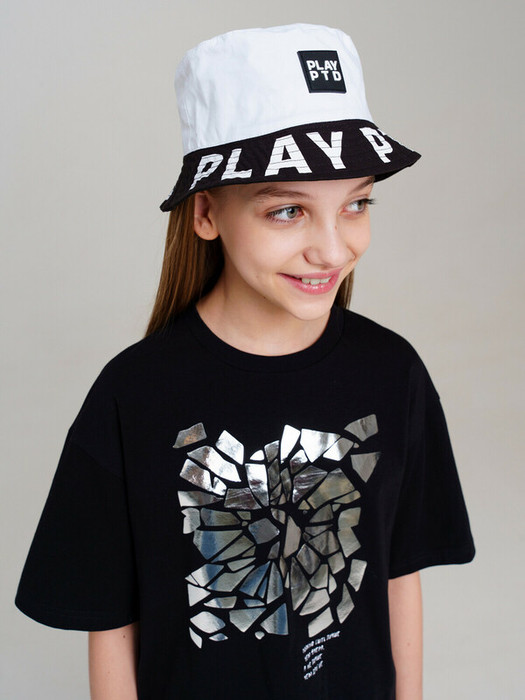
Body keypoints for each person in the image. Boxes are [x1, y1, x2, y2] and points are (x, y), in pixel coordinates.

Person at [15, 23, 475, 700]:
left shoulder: (392, 372)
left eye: (356, 204)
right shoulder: (133, 394)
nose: (332, 248)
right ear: (205, 213)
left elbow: (396, 575)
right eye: (287, 211)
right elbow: (111, 624)